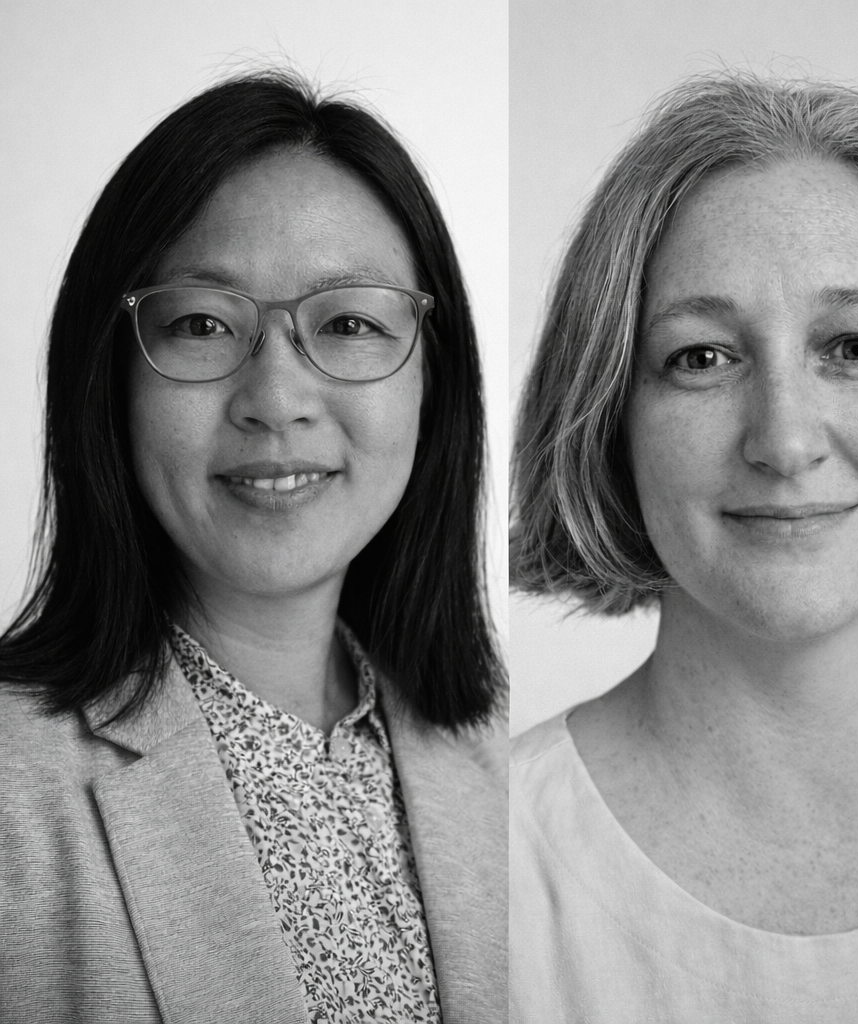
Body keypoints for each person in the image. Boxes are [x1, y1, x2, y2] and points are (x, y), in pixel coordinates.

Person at [510, 72, 858, 1022]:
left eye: (856, 347)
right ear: (611, 431)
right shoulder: (490, 870)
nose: (785, 443)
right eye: (702, 358)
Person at [0, 70, 506, 1024]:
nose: (276, 399)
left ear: (434, 383)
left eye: (348, 323)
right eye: (201, 324)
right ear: (110, 378)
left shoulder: (508, 761)